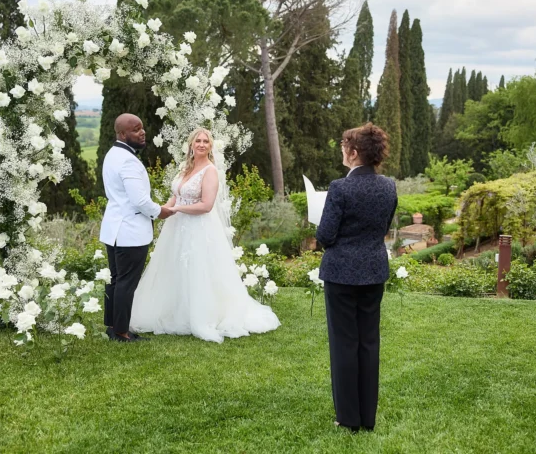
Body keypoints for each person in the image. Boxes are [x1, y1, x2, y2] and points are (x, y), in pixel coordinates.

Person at [129, 127, 280, 343]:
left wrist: (177, 210)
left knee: (198, 271)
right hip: (176, 228)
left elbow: (206, 205)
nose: (201, 144)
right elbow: (176, 195)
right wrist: (161, 210)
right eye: (197, 140)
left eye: (205, 141)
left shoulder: (210, 171)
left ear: (210, 147)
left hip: (198, 228)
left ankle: (201, 315)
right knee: (175, 269)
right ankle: (174, 311)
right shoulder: (185, 168)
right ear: (191, 144)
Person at [315, 122, 397, 432]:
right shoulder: (389, 186)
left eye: (343, 150)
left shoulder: (340, 187)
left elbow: (325, 235)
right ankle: (368, 418)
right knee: (368, 343)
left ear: (353, 152)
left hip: (341, 274)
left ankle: (348, 418)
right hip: (373, 271)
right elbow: (383, 227)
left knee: (344, 344)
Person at [99, 114, 175, 343]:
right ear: (122, 134)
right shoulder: (128, 161)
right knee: (126, 283)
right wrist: (161, 211)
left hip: (113, 229)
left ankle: (113, 326)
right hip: (130, 233)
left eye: (142, 127)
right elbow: (140, 201)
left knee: (117, 280)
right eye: (136, 129)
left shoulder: (113, 154)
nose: (142, 132)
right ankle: (122, 332)